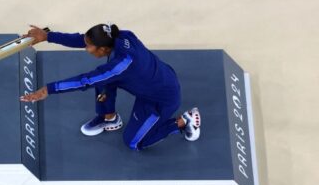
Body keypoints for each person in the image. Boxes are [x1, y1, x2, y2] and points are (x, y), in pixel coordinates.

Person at [20, 24, 201, 150]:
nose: (86, 49)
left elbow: (85, 81)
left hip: (161, 99)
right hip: (157, 78)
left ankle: (183, 121)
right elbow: (81, 39)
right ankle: (110, 117)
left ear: (103, 49)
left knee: (134, 143)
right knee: (105, 80)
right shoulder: (119, 36)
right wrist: (47, 36)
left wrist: (48, 90)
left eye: (89, 47)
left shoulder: (121, 64)